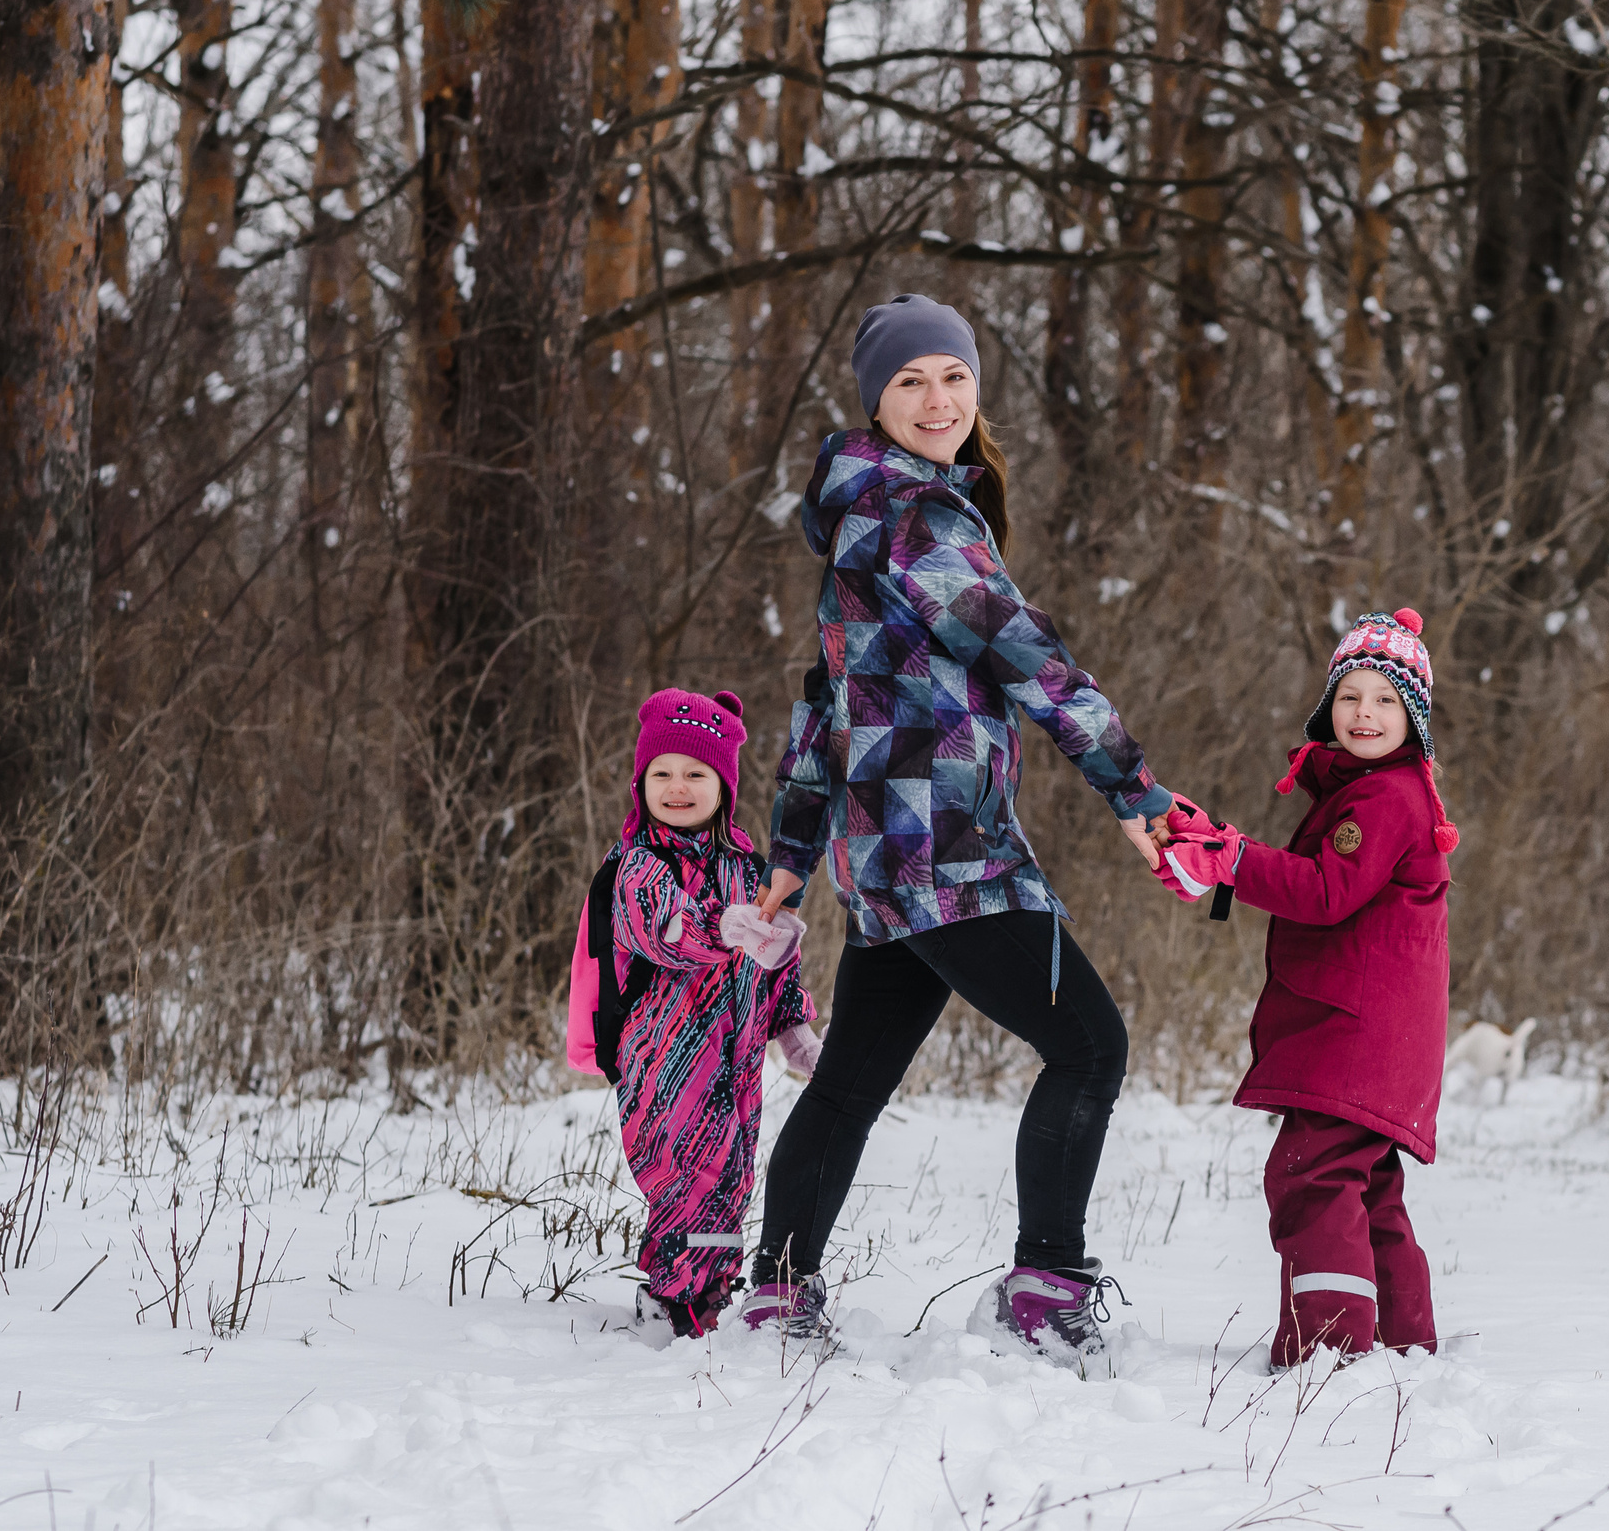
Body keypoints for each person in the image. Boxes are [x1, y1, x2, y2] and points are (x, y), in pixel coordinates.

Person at [739, 293, 1173, 1376]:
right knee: (1090, 1046)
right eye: (909, 382)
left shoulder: (863, 510)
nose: (937, 400)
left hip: (890, 854)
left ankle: (778, 1290)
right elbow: (1030, 657)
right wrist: (1132, 788)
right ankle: (1046, 1289)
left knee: (850, 1081)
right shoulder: (915, 515)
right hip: (944, 851)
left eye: (954, 377)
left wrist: (796, 852)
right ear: (874, 400)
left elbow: (821, 702)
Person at [1155, 609, 1460, 1368]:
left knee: (1314, 1176)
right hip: (1378, 1035)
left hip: (1358, 1031)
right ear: (1330, 706)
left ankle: (1330, 1348)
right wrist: (1226, 849)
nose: (1365, 713)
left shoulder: (1386, 798)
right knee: (1367, 1186)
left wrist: (1233, 858)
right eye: (1351, 696)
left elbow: (1326, 891)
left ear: (1414, 718)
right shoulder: (1369, 790)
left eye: (1386, 700)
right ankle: (1402, 1343)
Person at [567, 687, 823, 1340]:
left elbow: (776, 962)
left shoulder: (751, 869)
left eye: (694, 774)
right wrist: (724, 926)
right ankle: (676, 1302)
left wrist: (794, 1027)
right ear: (641, 783)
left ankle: (707, 1293)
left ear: (723, 786)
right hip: (663, 1056)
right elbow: (663, 930)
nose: (677, 787)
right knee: (685, 1174)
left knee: (731, 1175)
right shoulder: (638, 864)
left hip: (736, 1058)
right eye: (662, 774)